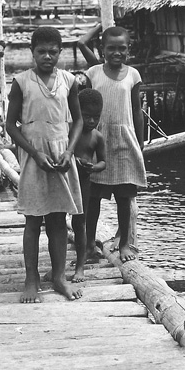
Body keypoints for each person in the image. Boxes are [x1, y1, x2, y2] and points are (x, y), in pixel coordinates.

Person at [5, 26, 84, 303]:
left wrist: (69, 152)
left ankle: (60, 276)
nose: (47, 57)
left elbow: (78, 121)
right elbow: (10, 125)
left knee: (59, 219)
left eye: (53, 52)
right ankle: (31, 278)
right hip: (34, 157)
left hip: (61, 156)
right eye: (41, 52)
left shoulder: (69, 80)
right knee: (33, 220)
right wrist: (34, 153)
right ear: (32, 53)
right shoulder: (22, 82)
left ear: (60, 52)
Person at [85, 26, 146, 263]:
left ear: (128, 50)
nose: (116, 53)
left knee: (124, 196)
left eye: (122, 48)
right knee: (93, 198)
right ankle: (90, 243)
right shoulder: (93, 74)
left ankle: (124, 244)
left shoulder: (133, 76)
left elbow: (137, 111)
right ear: (102, 49)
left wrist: (139, 146)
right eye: (111, 48)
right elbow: (84, 110)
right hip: (98, 142)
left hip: (123, 142)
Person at [73, 88, 107, 282]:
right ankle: (58, 267)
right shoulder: (70, 130)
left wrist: (93, 168)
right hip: (67, 181)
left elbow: (103, 162)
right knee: (59, 222)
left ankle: (80, 267)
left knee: (79, 223)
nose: (92, 121)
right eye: (87, 116)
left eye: (96, 117)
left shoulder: (97, 137)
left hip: (84, 182)